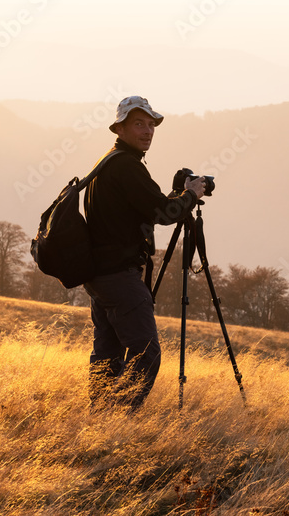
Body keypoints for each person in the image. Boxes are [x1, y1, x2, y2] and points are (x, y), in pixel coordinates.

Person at [82, 95, 205, 411]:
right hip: (120, 276)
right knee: (146, 352)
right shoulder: (127, 166)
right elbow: (164, 214)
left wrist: (179, 196)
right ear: (120, 127)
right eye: (139, 123)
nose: (148, 131)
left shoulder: (108, 161)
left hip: (99, 274)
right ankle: (118, 415)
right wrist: (189, 196)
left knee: (108, 352)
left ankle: (99, 416)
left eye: (152, 125)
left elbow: (148, 207)